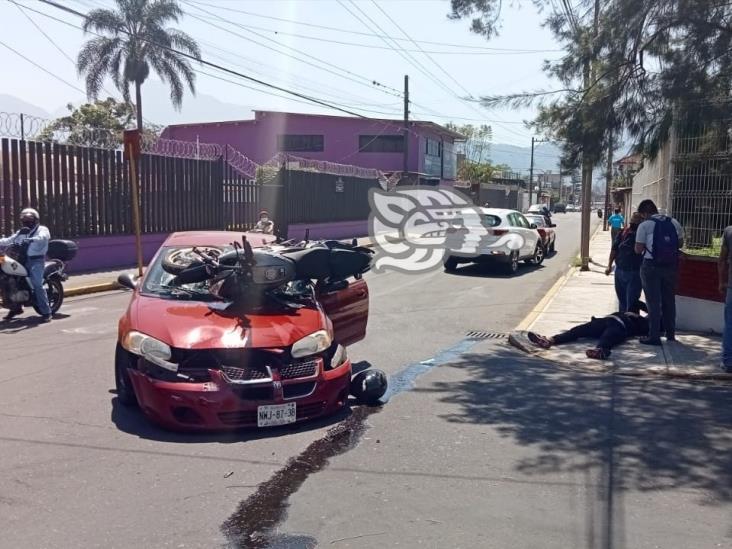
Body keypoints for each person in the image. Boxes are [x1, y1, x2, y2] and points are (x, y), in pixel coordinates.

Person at [634, 199, 684, 345]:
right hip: (670, 267)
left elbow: (638, 249)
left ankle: (654, 336)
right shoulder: (674, 222)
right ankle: (670, 334)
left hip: (650, 267)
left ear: (644, 213)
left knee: (653, 302)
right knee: (669, 300)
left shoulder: (645, 225)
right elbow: (679, 243)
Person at [528, 305, 649, 360]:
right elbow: (637, 302)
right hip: (604, 321)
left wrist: (641, 317)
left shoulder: (642, 322)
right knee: (578, 330)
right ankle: (550, 340)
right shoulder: (631, 311)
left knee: (609, 336)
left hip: (620, 327)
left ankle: (601, 350)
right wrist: (642, 309)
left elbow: (649, 328)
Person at [0, 208, 52, 322]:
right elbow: (9, 240)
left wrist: (32, 239)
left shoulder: (42, 229)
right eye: (25, 220)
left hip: (36, 261)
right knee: (9, 279)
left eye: (29, 220)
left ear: (35, 220)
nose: (27, 222)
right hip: (21, 259)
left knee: (37, 284)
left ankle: (46, 312)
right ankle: (15, 308)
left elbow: (43, 237)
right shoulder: (22, 231)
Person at [606, 212, 643, 313]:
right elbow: (614, 249)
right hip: (622, 271)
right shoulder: (624, 232)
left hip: (631, 272)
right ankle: (625, 324)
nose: (634, 222)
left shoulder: (639, 234)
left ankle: (631, 325)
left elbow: (614, 249)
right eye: (634, 219)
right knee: (625, 302)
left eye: (637, 219)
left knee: (629, 303)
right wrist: (609, 266)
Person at [718, 226, 732, 372]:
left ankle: (728, 361)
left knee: (730, 324)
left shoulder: (729, 232)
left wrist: (721, 282)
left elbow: (721, 260)